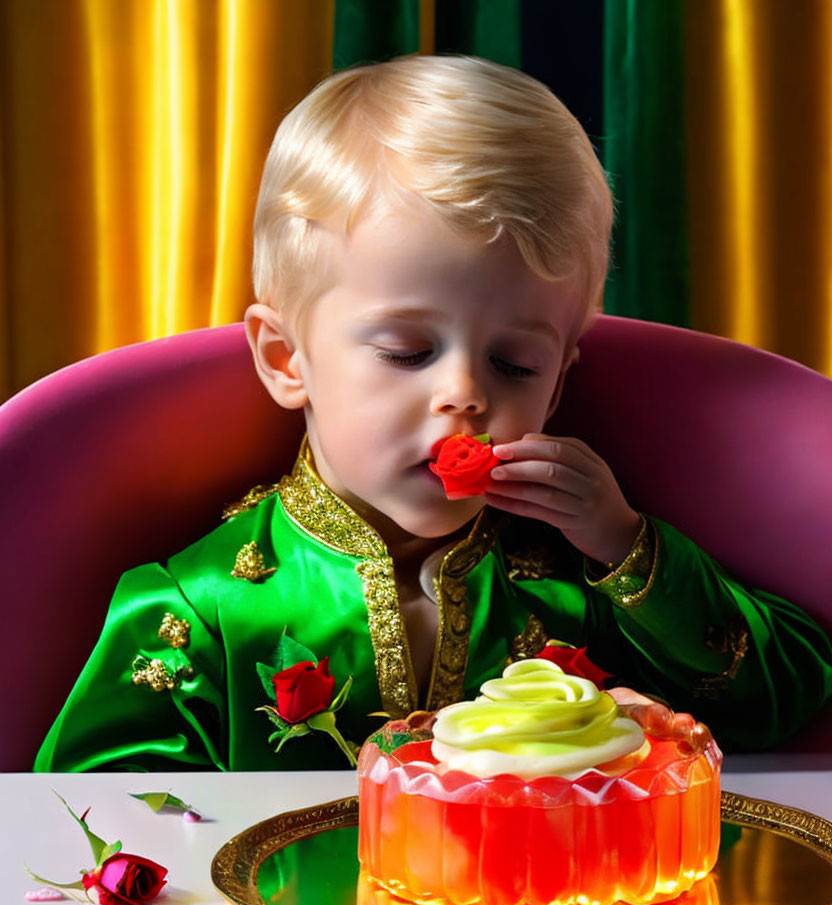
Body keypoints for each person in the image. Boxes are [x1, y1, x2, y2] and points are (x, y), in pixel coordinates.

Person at [34, 55, 832, 773]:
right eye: (407, 352)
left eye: (514, 365)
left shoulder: (575, 583)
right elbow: (86, 827)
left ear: (554, 390)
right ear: (286, 360)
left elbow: (784, 699)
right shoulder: (199, 607)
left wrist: (624, 545)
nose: (465, 395)